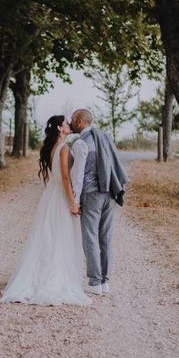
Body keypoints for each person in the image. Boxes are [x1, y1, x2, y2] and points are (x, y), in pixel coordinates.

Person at [0, 115, 92, 306]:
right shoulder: (64, 148)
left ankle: (42, 273)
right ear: (60, 128)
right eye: (66, 123)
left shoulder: (50, 148)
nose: (69, 125)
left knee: (49, 235)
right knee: (59, 236)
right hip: (60, 195)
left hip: (51, 195)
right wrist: (73, 202)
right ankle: (54, 276)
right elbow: (65, 178)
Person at [70, 108, 128, 295]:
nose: (70, 123)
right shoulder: (106, 138)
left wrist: (75, 200)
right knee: (106, 237)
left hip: (91, 194)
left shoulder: (81, 144)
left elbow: (78, 176)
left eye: (72, 120)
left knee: (90, 237)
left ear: (80, 122)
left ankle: (95, 282)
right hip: (110, 192)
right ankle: (105, 281)